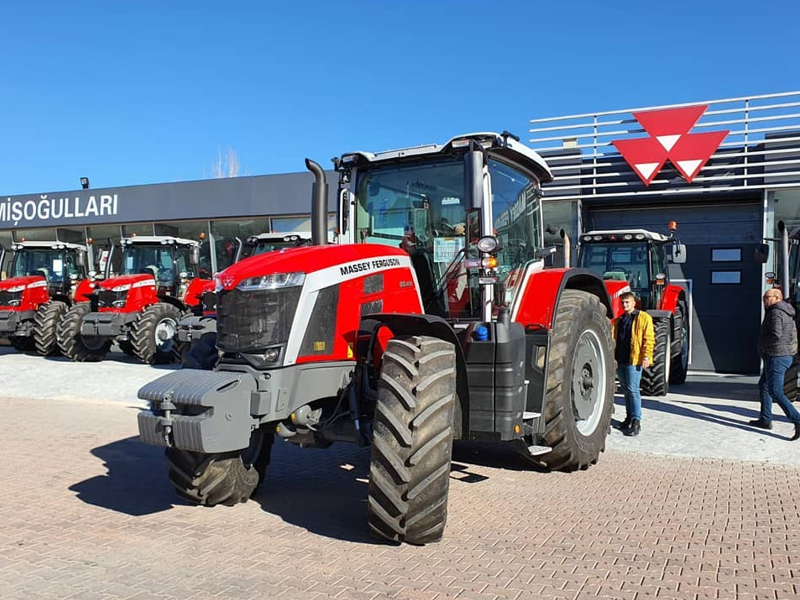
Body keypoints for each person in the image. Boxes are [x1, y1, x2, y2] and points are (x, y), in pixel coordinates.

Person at [750, 288, 800, 441]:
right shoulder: (786, 312)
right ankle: (765, 419)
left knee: (776, 391)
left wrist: (763, 346)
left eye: (766, 297)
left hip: (776, 356)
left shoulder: (775, 312)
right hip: (781, 355)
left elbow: (775, 334)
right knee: (764, 385)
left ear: (777, 297)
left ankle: (797, 420)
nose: (764, 300)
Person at [612, 291, 655, 436]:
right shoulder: (619, 320)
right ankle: (629, 417)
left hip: (634, 360)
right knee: (625, 389)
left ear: (634, 303)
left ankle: (636, 421)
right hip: (620, 360)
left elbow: (648, 339)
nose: (624, 305)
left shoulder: (644, 318)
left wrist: (647, 357)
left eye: (627, 302)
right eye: (622, 302)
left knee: (633, 390)